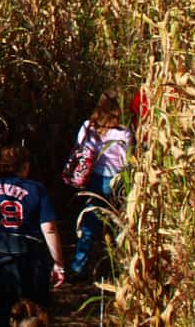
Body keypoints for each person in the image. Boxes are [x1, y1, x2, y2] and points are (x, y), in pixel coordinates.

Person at [0, 146, 65, 327]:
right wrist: (58, 263)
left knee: (2, 310)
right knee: (34, 310)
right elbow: (49, 228)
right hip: (28, 258)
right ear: (24, 166)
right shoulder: (36, 189)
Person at [70, 90, 133, 278]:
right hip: (116, 181)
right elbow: (126, 161)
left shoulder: (88, 127)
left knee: (89, 223)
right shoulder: (123, 133)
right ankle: (120, 268)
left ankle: (79, 267)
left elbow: (79, 150)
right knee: (120, 223)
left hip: (94, 179)